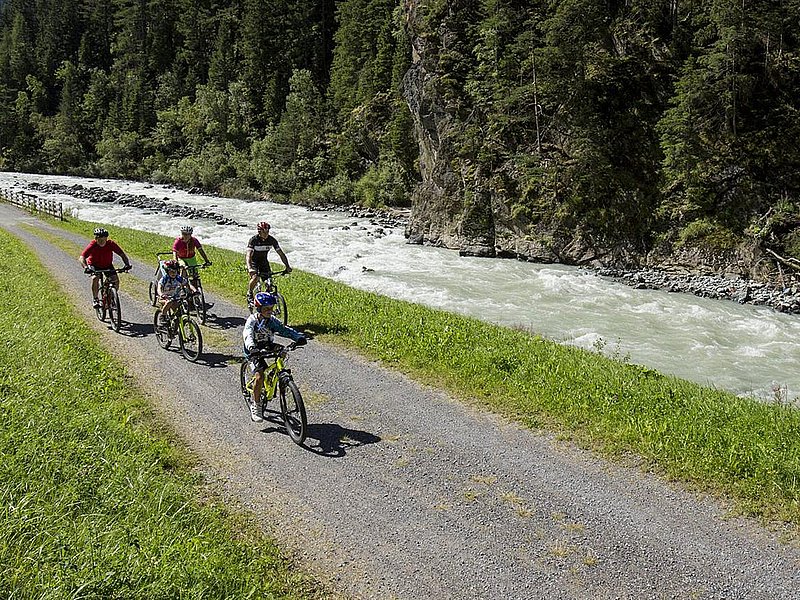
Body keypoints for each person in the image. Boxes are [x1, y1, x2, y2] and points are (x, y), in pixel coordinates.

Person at [242, 292, 307, 422]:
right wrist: (252, 348)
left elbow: (284, 330)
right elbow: (247, 334)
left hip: (267, 344)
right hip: (253, 349)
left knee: (282, 352)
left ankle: (278, 380)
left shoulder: (272, 321)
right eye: (266, 309)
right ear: (259, 309)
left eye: (271, 308)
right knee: (260, 376)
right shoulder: (252, 321)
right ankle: (256, 404)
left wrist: (297, 337)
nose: (270, 311)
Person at [79, 227, 132, 308]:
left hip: (107, 265)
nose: (102, 242)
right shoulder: (93, 245)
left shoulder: (111, 244)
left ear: (106, 238)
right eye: (99, 240)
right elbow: (82, 257)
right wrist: (86, 267)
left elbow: (122, 254)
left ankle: (110, 298)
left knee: (115, 281)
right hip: (94, 265)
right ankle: (95, 299)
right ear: (96, 239)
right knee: (95, 278)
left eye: (103, 239)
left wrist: (127, 264)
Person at [246, 221, 292, 301]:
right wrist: (250, 268)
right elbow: (248, 255)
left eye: (267, 231)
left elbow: (281, 254)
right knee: (255, 277)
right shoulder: (253, 240)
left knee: (269, 283)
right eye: (264, 231)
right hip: (254, 262)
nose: (266, 233)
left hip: (264, 262)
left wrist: (287, 266)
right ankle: (250, 293)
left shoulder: (272, 240)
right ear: (259, 231)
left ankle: (267, 302)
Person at [156, 259, 195, 324]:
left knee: (179, 314)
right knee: (169, 302)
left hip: (176, 298)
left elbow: (187, 284)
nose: (174, 273)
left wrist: (192, 291)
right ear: (167, 271)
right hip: (165, 298)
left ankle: (175, 327)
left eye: (175, 271)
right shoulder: (164, 279)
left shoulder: (178, 278)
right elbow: (159, 288)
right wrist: (161, 294)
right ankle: (163, 316)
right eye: (171, 271)